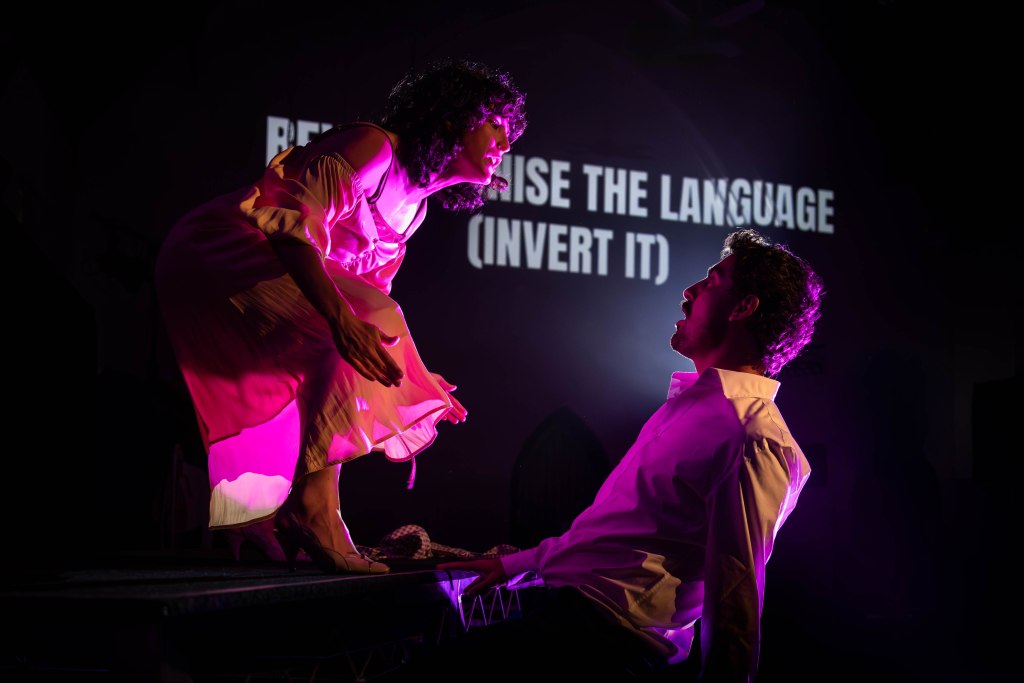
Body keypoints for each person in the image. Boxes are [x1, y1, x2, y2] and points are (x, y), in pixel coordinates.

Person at [154, 58, 527, 574]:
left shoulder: (414, 209)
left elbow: (366, 292)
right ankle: (315, 511)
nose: (506, 142)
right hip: (222, 251)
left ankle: (267, 515)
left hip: (270, 267)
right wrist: (344, 322)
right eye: (496, 124)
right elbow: (292, 227)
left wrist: (408, 369)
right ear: (453, 118)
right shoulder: (374, 148)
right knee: (359, 324)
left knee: (362, 338)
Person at [420, 228, 825, 681]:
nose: (689, 292)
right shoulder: (697, 409)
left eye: (713, 281)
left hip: (604, 645)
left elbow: (735, 598)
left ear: (743, 307)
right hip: (577, 627)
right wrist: (511, 565)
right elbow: (615, 540)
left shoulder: (752, 435)